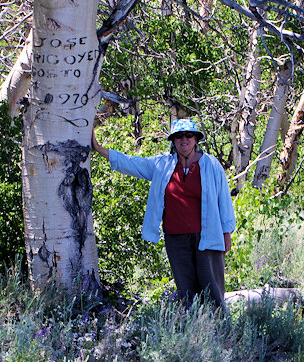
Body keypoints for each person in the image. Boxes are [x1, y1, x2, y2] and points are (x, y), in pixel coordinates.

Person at [92, 119, 236, 308]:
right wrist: (99, 148)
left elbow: (224, 200)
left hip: (207, 237)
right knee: (186, 291)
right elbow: (131, 163)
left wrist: (227, 233)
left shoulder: (210, 165)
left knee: (212, 289)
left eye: (188, 135)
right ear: (173, 140)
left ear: (196, 139)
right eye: (178, 136)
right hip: (176, 239)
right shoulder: (162, 164)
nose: (184, 139)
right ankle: (194, 330)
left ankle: (220, 329)